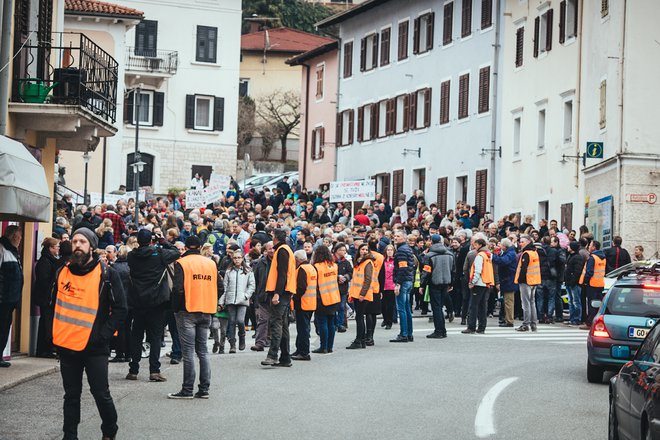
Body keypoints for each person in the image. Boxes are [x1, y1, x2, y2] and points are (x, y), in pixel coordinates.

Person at [52, 227, 127, 440]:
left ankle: (110, 430)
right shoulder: (62, 272)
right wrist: (55, 337)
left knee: (101, 394)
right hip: (67, 346)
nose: (77, 245)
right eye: (75, 241)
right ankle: (70, 436)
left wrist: (102, 335)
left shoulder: (107, 274)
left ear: (92, 247)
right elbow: (53, 306)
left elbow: (121, 309)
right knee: (71, 396)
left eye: (82, 241)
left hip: (95, 347)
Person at [168, 236, 220, 399]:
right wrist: (211, 299)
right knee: (203, 351)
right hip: (206, 309)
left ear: (186, 247)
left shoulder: (182, 263)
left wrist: (176, 308)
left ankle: (187, 389)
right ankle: (204, 389)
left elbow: (177, 289)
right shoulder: (210, 263)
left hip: (187, 310)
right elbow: (221, 286)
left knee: (188, 351)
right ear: (199, 247)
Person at [125, 229, 179, 382]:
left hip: (138, 301)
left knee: (136, 335)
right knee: (155, 337)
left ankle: (133, 369)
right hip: (156, 301)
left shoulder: (131, 256)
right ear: (151, 240)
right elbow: (175, 252)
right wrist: (163, 241)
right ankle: (154, 370)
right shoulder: (160, 254)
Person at [260, 229, 296, 367]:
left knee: (276, 323)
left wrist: (277, 294)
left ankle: (273, 355)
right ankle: (285, 357)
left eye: (272, 236)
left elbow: (282, 274)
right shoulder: (285, 249)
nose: (271, 238)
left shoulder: (282, 250)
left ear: (276, 238)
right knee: (283, 325)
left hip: (281, 293)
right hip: (285, 292)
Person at [219, 250, 255, 353]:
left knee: (240, 320)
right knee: (231, 322)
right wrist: (221, 301)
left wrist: (246, 295)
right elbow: (225, 287)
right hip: (230, 299)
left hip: (242, 299)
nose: (237, 260)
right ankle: (232, 344)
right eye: (235, 258)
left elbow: (251, 285)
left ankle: (242, 336)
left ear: (242, 258)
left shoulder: (248, 270)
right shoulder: (229, 271)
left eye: (239, 257)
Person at [420, 235, 454, 339]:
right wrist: (451, 283)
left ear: (431, 242)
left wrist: (422, 285)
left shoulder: (429, 256)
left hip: (434, 282)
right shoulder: (450, 254)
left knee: (436, 307)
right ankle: (442, 330)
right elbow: (453, 270)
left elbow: (426, 272)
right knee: (440, 306)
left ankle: (439, 330)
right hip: (446, 282)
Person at [34, 237, 61, 358]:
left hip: (47, 296)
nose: (58, 248)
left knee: (47, 322)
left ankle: (46, 349)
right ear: (50, 248)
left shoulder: (50, 260)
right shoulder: (45, 261)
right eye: (57, 246)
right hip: (46, 297)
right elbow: (44, 281)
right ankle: (44, 349)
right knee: (46, 322)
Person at [0, 225, 23, 367]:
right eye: (20, 236)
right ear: (14, 236)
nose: (20, 239)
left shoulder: (12, 252)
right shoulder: (2, 249)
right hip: (3, 298)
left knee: (4, 328)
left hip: (9, 299)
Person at [312, 245, 341, 353]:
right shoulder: (334, 265)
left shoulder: (316, 267)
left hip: (322, 298)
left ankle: (323, 346)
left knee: (322, 323)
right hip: (334, 297)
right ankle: (330, 346)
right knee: (331, 323)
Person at [462, 238, 494, 334]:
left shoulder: (480, 255)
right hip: (486, 282)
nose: (473, 247)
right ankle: (481, 327)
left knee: (473, 306)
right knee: (482, 306)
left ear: (480, 245)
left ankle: (471, 327)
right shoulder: (488, 255)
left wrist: (472, 282)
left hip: (479, 283)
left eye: (475, 245)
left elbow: (477, 270)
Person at [347, 243, 375, 349]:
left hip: (362, 294)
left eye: (366, 249)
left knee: (359, 317)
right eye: (362, 249)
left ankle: (359, 340)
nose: (364, 251)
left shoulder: (368, 262)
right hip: (356, 293)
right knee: (359, 317)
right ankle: (361, 340)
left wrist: (362, 294)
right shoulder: (359, 262)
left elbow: (368, 279)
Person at [391, 230, 415, 343]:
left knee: (402, 309)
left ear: (404, 238)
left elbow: (402, 268)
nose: (395, 238)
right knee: (406, 309)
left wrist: (398, 284)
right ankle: (409, 333)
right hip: (408, 280)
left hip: (404, 281)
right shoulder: (407, 249)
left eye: (398, 236)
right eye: (395, 236)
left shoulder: (401, 250)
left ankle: (404, 334)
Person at [292, 250, 316, 360]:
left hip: (303, 303)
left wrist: (293, 298)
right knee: (304, 328)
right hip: (310, 302)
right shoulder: (311, 267)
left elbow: (301, 287)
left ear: (297, 259)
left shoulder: (302, 269)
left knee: (303, 329)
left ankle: (304, 352)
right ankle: (300, 349)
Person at [514, 234, 541, 332]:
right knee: (532, 303)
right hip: (534, 280)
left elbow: (523, 269)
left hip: (526, 281)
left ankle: (525, 324)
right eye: (520, 242)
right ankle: (533, 324)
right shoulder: (534, 252)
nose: (520, 244)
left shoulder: (526, 253)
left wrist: (520, 280)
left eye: (522, 242)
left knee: (525, 304)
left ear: (528, 242)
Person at [579, 240, 606, 330]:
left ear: (594, 247)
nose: (589, 247)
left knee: (591, 305)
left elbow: (589, 272)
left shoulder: (592, 258)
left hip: (592, 284)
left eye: (590, 245)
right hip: (600, 284)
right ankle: (595, 322)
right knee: (598, 304)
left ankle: (590, 323)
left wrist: (585, 281)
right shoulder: (603, 257)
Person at [251, 242, 274, 352]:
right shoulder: (260, 263)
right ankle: (260, 343)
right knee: (263, 320)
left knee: (275, 321)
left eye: (273, 248)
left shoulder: (280, 261)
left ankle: (274, 341)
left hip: (276, 296)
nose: (271, 250)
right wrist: (254, 295)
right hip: (263, 296)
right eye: (269, 249)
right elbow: (255, 279)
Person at [491, 238, 518, 328]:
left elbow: (503, 261)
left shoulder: (510, 254)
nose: (500, 246)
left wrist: (492, 257)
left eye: (501, 245)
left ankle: (509, 321)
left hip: (509, 280)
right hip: (508, 280)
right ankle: (507, 319)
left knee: (509, 302)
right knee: (507, 301)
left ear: (505, 246)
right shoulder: (510, 252)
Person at [564, 241, 585, 326]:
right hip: (569, 282)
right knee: (571, 301)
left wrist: (573, 281)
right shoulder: (571, 256)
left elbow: (577, 271)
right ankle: (572, 318)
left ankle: (576, 319)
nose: (567, 247)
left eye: (569, 246)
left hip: (574, 284)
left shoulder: (577, 257)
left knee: (576, 301)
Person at [334, 243, 353, 332]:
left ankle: (340, 324)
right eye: (342, 250)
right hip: (333, 288)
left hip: (343, 288)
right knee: (334, 307)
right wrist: (338, 277)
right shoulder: (331, 261)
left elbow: (351, 272)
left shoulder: (346, 262)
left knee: (341, 307)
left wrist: (345, 278)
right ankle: (334, 323)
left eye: (345, 250)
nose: (344, 252)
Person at [380, 244, 397, 329]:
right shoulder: (382, 261)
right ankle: (385, 319)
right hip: (383, 285)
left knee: (390, 305)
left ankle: (389, 322)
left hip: (391, 285)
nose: (389, 251)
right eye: (388, 250)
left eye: (391, 250)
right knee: (382, 305)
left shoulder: (395, 261)